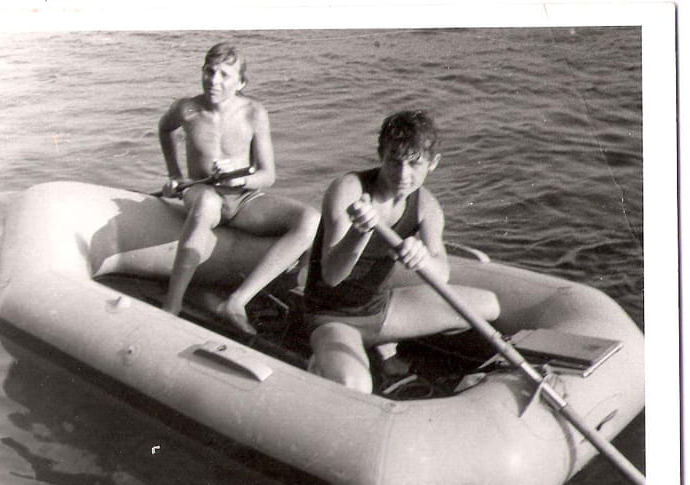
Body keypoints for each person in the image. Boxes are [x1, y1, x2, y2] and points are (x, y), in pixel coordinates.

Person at [303, 110, 499, 393]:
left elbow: (441, 272)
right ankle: (323, 362)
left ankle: (382, 345)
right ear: (380, 155)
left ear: (433, 163)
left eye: (415, 163)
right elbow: (332, 275)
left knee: (489, 305)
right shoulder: (349, 189)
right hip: (332, 315)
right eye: (394, 161)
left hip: (381, 311)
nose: (403, 175)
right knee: (355, 385)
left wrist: (422, 259)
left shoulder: (426, 205)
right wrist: (360, 232)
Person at [159, 42, 319, 335]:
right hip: (203, 193)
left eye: (224, 75)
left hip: (244, 199)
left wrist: (240, 180)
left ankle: (237, 301)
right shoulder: (187, 109)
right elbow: (164, 128)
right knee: (207, 203)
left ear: (241, 82)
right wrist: (175, 175)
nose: (214, 81)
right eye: (209, 71)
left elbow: (268, 175)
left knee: (310, 219)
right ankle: (173, 303)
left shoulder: (254, 113)